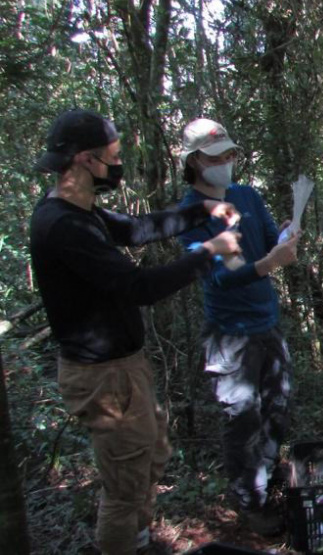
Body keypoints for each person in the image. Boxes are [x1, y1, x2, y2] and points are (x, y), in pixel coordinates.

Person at [29, 109, 241, 554]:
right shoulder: (62, 224)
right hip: (104, 378)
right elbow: (138, 287)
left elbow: (137, 229)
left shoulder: (83, 211)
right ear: (86, 159)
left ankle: (140, 541)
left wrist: (201, 210)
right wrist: (209, 251)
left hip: (124, 369)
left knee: (151, 456)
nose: (118, 164)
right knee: (124, 488)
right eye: (113, 156)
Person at [177, 118, 299, 536]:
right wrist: (269, 264)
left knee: (278, 405)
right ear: (196, 161)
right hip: (230, 333)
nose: (227, 162)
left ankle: (265, 473)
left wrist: (286, 233)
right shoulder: (188, 213)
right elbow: (219, 274)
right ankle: (250, 502)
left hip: (267, 322)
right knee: (241, 417)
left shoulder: (246, 195)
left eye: (231, 154)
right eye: (218, 156)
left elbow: (267, 237)